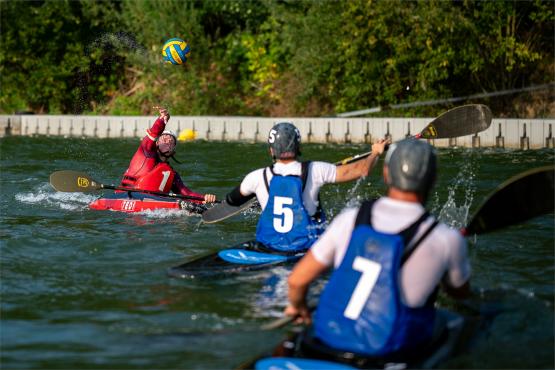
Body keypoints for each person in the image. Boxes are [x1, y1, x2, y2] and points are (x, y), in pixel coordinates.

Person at [284, 138, 471, 361]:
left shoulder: (350, 218)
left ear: (386, 174)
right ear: (432, 180)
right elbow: (460, 293)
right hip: (384, 352)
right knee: (454, 320)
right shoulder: (446, 238)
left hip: (327, 340)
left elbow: (296, 280)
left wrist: (299, 307)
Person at [224, 121, 388, 253]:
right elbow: (362, 170)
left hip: (269, 248)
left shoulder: (256, 177)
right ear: (298, 147)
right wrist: (375, 152)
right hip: (305, 249)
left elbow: (232, 199)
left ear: (271, 151)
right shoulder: (316, 170)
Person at [119, 107, 216, 204]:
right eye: (164, 138)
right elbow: (153, 133)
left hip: (150, 205)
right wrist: (162, 120)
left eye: (171, 141)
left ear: (173, 151)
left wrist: (204, 198)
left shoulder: (171, 175)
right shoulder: (146, 150)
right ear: (156, 143)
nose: (168, 140)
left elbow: (186, 194)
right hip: (123, 196)